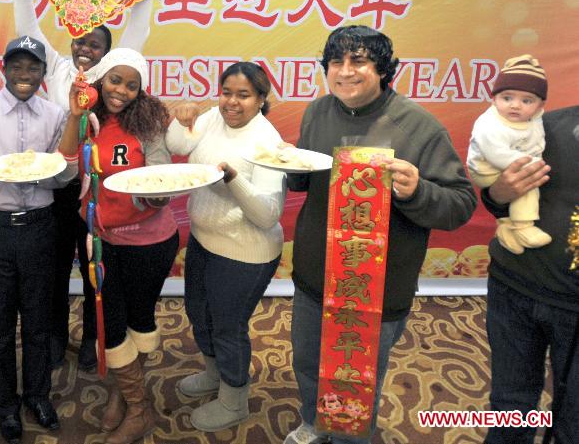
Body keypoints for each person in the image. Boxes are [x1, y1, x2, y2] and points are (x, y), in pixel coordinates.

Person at [283, 25, 477, 444]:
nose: (346, 72)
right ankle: (314, 422)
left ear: (383, 70)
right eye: (336, 62)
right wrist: (288, 167)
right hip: (316, 275)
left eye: (359, 61)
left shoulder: (419, 127)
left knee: (356, 379)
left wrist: (417, 190)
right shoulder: (317, 111)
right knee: (307, 360)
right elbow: (304, 181)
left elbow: (460, 204)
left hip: (375, 288)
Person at [6, 0, 155, 371]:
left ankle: (95, 340)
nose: (85, 49)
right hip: (56, 188)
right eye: (81, 41)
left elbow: (138, 30)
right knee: (51, 270)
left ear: (109, 55)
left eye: (95, 45)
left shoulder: (113, 81)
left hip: (100, 194)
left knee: (95, 272)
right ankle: (52, 339)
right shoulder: (56, 69)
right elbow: (27, 28)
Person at [0, 35, 76, 444]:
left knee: (39, 321)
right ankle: (7, 406)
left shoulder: (56, 113)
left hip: (40, 228)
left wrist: (55, 161)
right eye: (17, 67)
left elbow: (63, 176)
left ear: (44, 73)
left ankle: (38, 396)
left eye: (33, 68)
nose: (24, 75)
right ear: (4, 68)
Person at [58, 48, 178, 444]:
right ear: (101, 79)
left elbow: (159, 167)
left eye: (132, 85)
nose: (121, 91)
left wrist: (159, 191)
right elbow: (65, 159)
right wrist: (76, 114)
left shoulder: (149, 120)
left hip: (150, 241)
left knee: (139, 320)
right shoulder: (87, 118)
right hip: (103, 240)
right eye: (115, 80)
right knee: (110, 324)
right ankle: (134, 402)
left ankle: (128, 400)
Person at [165, 62, 287, 432]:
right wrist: (183, 118)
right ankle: (214, 374)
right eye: (227, 92)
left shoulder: (268, 143)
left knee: (227, 327)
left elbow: (267, 215)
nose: (232, 103)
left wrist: (232, 178)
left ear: (261, 99)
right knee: (198, 313)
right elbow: (176, 145)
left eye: (244, 95)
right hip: (204, 240)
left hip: (246, 252)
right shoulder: (213, 117)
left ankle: (235, 401)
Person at [480, 105, 578, 444]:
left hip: (573, 303)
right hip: (514, 289)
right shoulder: (541, 127)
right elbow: (494, 198)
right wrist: (499, 193)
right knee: (510, 405)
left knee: (574, 421)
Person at [467, 55, 550, 253]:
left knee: (523, 180)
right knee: (528, 184)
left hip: (507, 163)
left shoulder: (535, 120)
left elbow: (537, 142)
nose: (515, 105)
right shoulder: (489, 124)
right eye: (507, 98)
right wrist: (531, 163)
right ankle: (523, 227)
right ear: (494, 98)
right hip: (486, 168)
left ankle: (507, 227)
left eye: (527, 100)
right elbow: (496, 154)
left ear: (539, 105)